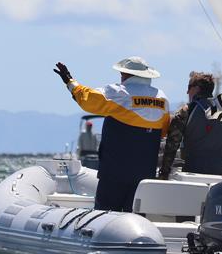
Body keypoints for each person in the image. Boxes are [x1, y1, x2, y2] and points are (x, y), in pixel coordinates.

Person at [53, 57, 169, 212]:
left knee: (105, 215)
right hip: (144, 173)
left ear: (128, 75)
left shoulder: (118, 93)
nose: (121, 76)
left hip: (115, 171)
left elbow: (87, 99)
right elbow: (163, 131)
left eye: (122, 74)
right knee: (135, 215)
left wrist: (69, 81)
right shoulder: (162, 99)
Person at [159, 72, 222, 179]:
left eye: (189, 87)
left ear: (196, 88)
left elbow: (172, 145)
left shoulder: (186, 111)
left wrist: (164, 173)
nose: (187, 91)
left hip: (194, 171)